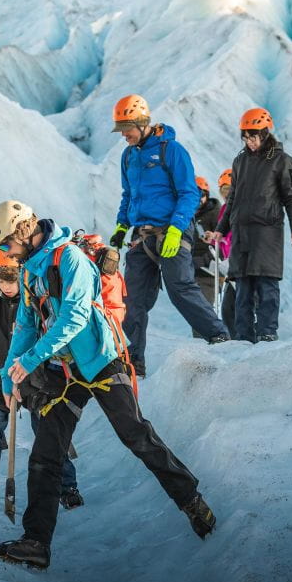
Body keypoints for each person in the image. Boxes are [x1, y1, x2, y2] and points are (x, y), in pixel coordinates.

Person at [0, 200, 216, 570]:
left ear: (23, 232)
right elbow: (27, 324)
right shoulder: (30, 270)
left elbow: (75, 317)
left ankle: (191, 500)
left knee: (136, 434)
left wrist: (29, 362)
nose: (6, 253)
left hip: (101, 360)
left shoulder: (70, 259)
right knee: (46, 454)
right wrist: (7, 373)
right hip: (65, 369)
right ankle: (36, 542)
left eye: (7, 244)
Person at [108, 94, 229, 376]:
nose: (123, 135)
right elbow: (129, 196)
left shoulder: (171, 151)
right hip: (142, 235)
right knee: (133, 300)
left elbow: (189, 193)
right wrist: (121, 227)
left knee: (180, 288)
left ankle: (219, 336)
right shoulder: (128, 156)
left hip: (172, 231)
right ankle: (133, 361)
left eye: (127, 128)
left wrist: (176, 229)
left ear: (141, 123)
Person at [0, 250, 83, 510]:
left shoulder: (35, 305)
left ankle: (67, 486)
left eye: (11, 280)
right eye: (1, 281)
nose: (6, 286)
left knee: (48, 431)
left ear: (21, 278)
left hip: (36, 381)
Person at [212, 108, 292, 343]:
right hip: (241, 232)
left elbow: (291, 196)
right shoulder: (240, 161)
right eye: (245, 137)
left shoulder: (281, 161)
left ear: (264, 133)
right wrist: (222, 229)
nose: (249, 142)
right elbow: (232, 199)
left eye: (253, 137)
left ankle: (267, 332)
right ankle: (243, 336)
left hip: (267, 232)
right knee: (242, 286)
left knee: (266, 285)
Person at [190, 175, 223, 332]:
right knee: (195, 310)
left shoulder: (215, 215)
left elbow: (222, 247)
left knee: (202, 310)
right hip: (192, 272)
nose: (198, 199)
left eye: (201, 195)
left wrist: (201, 261)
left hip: (209, 273)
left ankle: (208, 345)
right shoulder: (188, 216)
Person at [215, 169, 236, 335]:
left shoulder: (238, 207)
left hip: (238, 262)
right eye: (223, 190)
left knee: (236, 305)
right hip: (229, 264)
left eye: (228, 189)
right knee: (228, 309)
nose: (226, 193)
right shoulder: (224, 209)